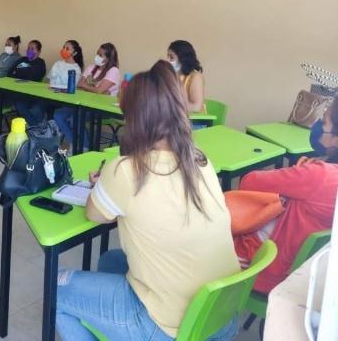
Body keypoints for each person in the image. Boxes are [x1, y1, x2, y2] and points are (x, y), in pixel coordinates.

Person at [55, 60, 240, 341]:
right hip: (219, 318)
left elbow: (95, 214)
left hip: (170, 327)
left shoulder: (126, 170)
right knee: (110, 261)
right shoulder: (200, 161)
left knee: (54, 290)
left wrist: (104, 182)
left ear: (135, 119)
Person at [233, 100, 338, 294]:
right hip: (308, 279)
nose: (318, 125)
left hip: (268, 268)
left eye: (324, 122)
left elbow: (248, 181)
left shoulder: (319, 176)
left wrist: (298, 172)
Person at [53, 42, 120, 153]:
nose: (97, 56)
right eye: (97, 53)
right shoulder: (91, 67)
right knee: (58, 115)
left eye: (101, 55)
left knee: (76, 117)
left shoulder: (113, 71)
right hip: (83, 103)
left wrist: (88, 87)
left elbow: (98, 90)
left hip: (101, 107)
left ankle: (85, 146)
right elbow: (79, 85)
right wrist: (95, 89)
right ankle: (75, 143)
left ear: (108, 59)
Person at [15, 40, 83, 127]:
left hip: (62, 98)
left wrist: (58, 90)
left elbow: (73, 88)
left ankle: (36, 127)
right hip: (48, 95)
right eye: (63, 47)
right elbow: (48, 81)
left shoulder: (76, 68)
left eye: (67, 48)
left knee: (36, 110)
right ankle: (36, 126)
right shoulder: (57, 64)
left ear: (74, 52)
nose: (64, 50)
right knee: (20, 104)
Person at [167, 40, 206, 113]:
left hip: (195, 121)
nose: (168, 60)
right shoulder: (172, 76)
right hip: (177, 118)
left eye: (171, 57)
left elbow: (196, 107)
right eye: (168, 56)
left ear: (183, 58)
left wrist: (170, 107)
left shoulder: (195, 77)